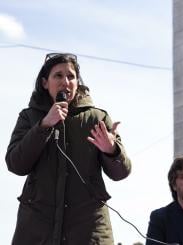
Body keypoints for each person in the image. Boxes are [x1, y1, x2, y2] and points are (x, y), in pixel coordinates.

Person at [5, 53, 131, 245]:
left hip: (89, 231)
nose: (65, 81)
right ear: (45, 83)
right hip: (37, 231)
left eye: (71, 76)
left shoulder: (97, 118)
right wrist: (44, 126)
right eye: (58, 76)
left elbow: (121, 172)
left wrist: (111, 150)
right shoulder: (29, 117)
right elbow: (15, 164)